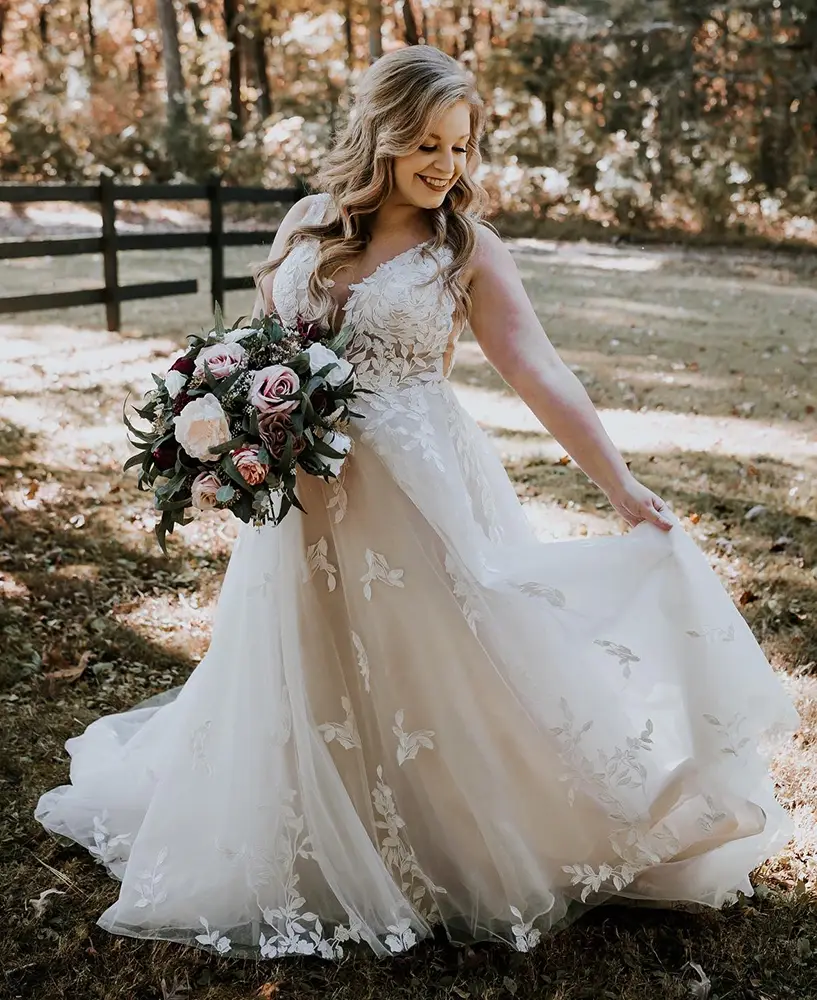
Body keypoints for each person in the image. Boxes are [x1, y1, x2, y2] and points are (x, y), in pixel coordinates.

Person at [35, 45, 798, 960]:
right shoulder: (309, 224)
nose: (446, 165)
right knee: (305, 655)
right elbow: (263, 338)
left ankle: (457, 835)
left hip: (416, 487)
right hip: (304, 492)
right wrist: (231, 422)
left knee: (437, 657)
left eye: (461, 147)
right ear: (383, 136)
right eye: (428, 144)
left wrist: (620, 484)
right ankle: (320, 822)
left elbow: (536, 367)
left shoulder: (463, 249)